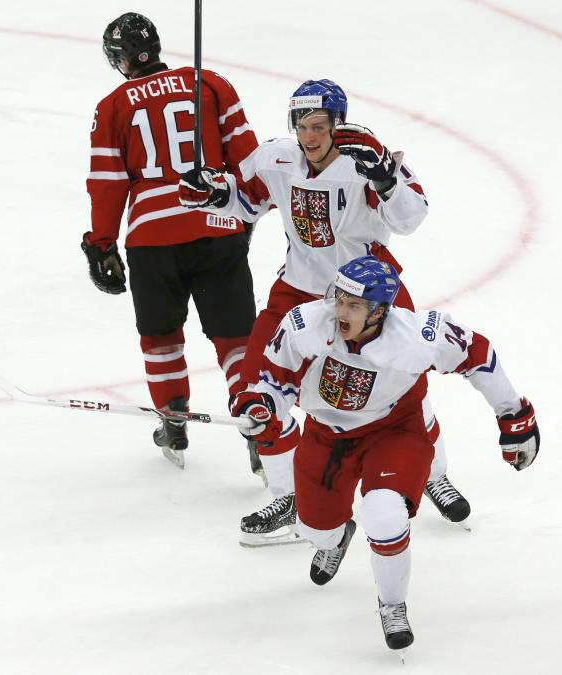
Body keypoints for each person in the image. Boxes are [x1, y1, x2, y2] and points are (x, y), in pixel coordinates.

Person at [178, 79, 471, 544]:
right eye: (301, 125)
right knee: (257, 392)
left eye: (318, 125)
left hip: (370, 296)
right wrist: (212, 192)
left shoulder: (366, 159)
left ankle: (429, 472)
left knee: (404, 387)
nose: (308, 136)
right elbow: (246, 201)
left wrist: (384, 180)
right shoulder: (278, 158)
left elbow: (411, 219)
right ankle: (289, 496)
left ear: (338, 124)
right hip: (297, 293)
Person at [229, 256, 539, 650]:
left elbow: (478, 355)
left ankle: (392, 605)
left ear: (380, 311)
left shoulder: (417, 334)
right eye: (339, 299)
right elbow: (275, 382)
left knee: (384, 513)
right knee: (317, 530)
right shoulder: (303, 324)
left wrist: (514, 415)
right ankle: (335, 539)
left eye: (354, 305)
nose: (340, 311)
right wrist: (262, 404)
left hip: (394, 432)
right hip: (326, 437)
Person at [82, 12, 260, 471]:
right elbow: (248, 157)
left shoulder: (113, 105)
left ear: (120, 60)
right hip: (217, 226)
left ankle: (173, 420)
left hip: (151, 238)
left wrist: (101, 244)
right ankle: (257, 420)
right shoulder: (211, 83)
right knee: (237, 338)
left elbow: (107, 182)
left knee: (160, 337)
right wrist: (248, 210)